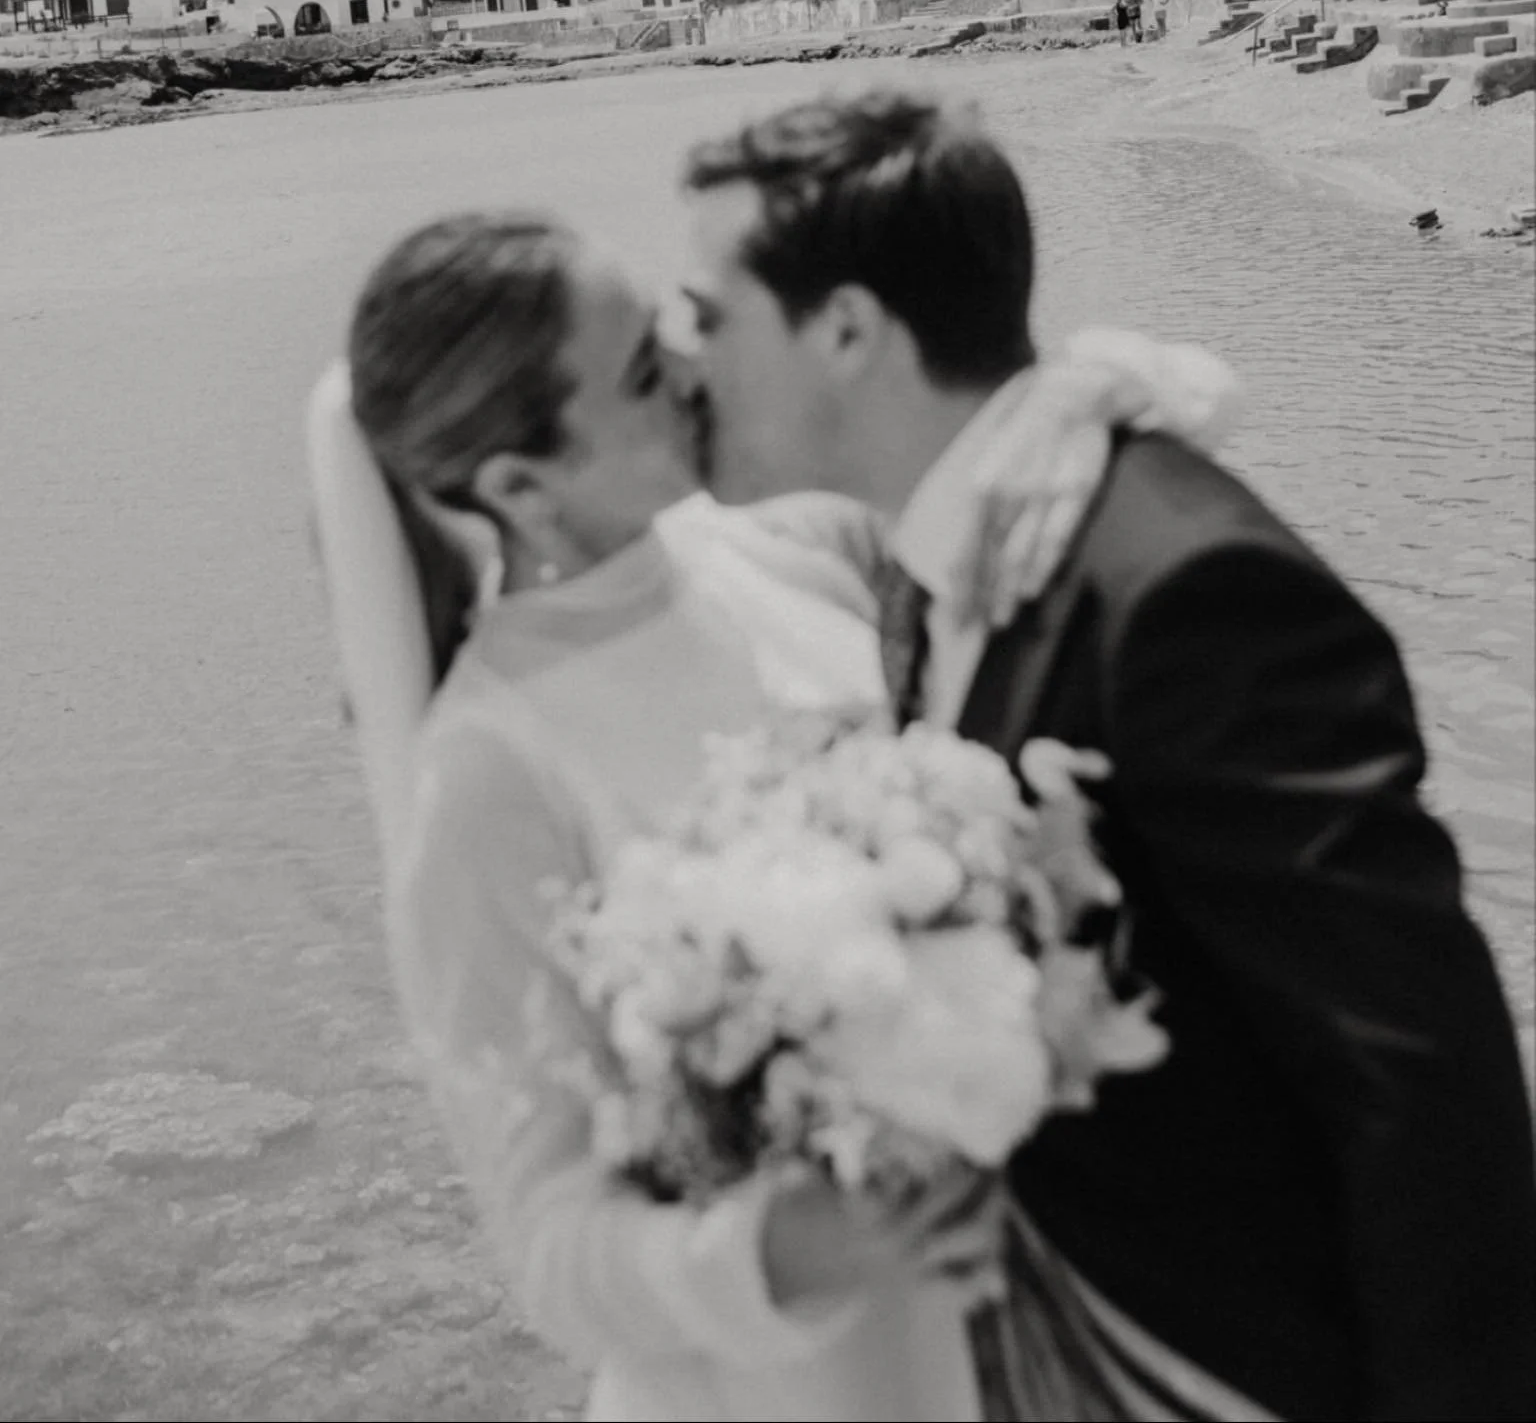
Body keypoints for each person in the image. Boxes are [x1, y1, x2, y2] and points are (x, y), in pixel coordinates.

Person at [679, 89, 1536, 1423]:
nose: (685, 360)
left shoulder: (1189, 594)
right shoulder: (926, 554)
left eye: (708, 316)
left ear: (846, 329)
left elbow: (1420, 1073)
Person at [337, 211, 1240, 1423]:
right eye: (645, 374)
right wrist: (784, 1247)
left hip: (1020, 1307)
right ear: (518, 485)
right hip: (793, 1385)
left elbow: (985, 501)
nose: (695, 369)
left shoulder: (795, 545)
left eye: (672, 330)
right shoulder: (484, 772)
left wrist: (1074, 409)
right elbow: (548, 1244)